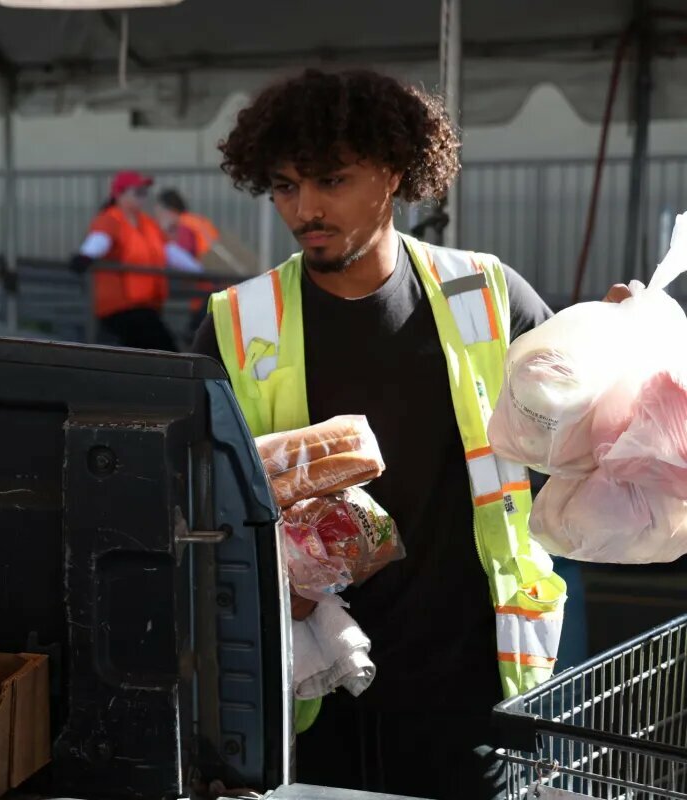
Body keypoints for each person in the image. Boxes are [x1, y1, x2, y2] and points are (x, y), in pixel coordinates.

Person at [192, 68, 598, 799]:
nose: (305, 208)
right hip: (307, 682)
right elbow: (189, 487)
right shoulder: (238, 322)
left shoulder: (486, 294)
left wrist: (618, 339)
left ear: (396, 172)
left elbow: (586, 415)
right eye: (285, 186)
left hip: (467, 680)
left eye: (332, 181)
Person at [69, 171, 202, 351]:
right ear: (120, 194)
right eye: (137, 192)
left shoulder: (147, 223)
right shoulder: (111, 219)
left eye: (144, 192)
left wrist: (200, 271)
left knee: (152, 348)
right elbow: (99, 241)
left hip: (145, 306)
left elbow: (170, 251)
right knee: (164, 348)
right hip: (119, 306)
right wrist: (85, 256)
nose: (143, 197)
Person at [154, 189, 221, 335]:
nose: (157, 217)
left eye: (159, 212)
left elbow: (184, 259)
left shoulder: (183, 227)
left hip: (207, 288)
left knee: (196, 334)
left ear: (169, 210)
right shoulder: (196, 221)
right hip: (217, 283)